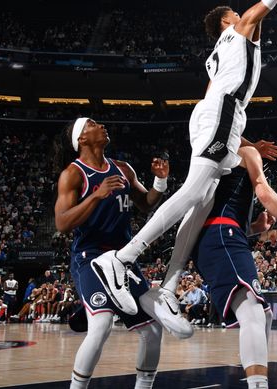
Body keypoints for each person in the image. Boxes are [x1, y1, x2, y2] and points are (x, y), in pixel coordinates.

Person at [91, 0, 277, 329]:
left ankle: (167, 287)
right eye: (237, 13)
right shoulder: (239, 28)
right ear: (227, 20)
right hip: (223, 110)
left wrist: (241, 138)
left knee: (200, 202)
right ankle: (122, 258)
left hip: (215, 112)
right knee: (193, 192)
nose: (244, 15)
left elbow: (211, 101)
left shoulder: (214, 56)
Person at [54, 117, 167, 389]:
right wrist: (96, 195)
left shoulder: (123, 169)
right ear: (81, 138)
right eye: (93, 123)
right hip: (90, 258)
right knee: (102, 324)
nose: (101, 125)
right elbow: (62, 223)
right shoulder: (73, 173)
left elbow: (145, 203)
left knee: (153, 330)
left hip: (123, 260)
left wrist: (160, 182)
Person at [192, 146, 277, 389]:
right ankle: (258, 384)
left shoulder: (213, 158)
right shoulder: (246, 152)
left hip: (224, 233)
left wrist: (256, 227)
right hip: (222, 234)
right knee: (252, 312)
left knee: (265, 314)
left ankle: (255, 376)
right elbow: (266, 194)